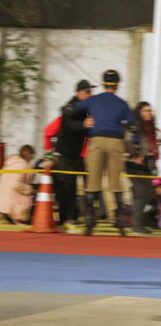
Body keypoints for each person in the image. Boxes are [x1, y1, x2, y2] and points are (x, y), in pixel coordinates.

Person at [73, 69, 133, 236]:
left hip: (97, 141)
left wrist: (85, 119)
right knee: (115, 182)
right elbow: (130, 123)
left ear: (103, 83)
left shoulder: (93, 100)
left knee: (93, 181)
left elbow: (74, 107)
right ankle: (120, 222)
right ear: (117, 85)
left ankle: (89, 223)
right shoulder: (122, 103)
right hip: (116, 142)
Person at [50, 79, 95, 233]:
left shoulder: (85, 109)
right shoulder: (71, 107)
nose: (90, 95)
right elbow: (70, 123)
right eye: (87, 92)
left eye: (91, 92)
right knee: (67, 187)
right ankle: (67, 219)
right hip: (65, 155)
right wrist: (84, 125)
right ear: (78, 93)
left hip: (76, 155)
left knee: (75, 186)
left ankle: (71, 218)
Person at [125, 101, 158, 234]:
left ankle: (141, 222)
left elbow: (152, 146)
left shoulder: (150, 127)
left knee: (149, 194)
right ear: (139, 112)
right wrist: (139, 155)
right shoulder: (135, 127)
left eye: (149, 111)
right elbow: (129, 142)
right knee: (140, 194)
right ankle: (137, 225)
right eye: (145, 110)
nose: (148, 113)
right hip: (135, 164)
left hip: (148, 164)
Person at [0, 145, 36, 224]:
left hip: (4, 203)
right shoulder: (22, 165)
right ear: (28, 154)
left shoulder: (10, 163)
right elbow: (16, 184)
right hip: (13, 206)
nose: (32, 159)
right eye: (32, 156)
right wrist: (29, 189)